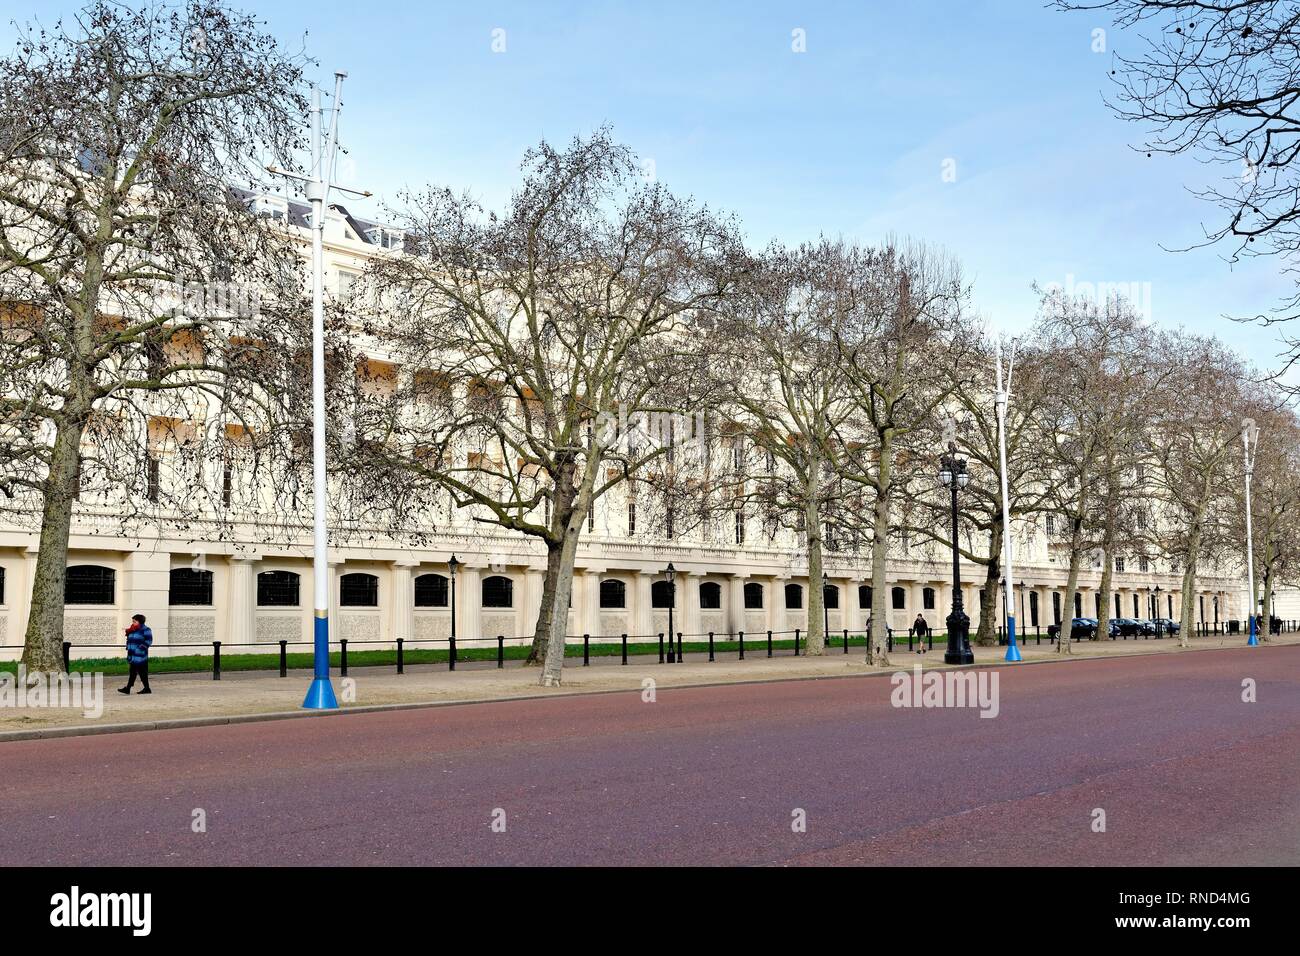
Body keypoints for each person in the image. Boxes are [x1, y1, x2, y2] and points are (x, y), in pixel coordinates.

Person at [118, 614, 153, 695]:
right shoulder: (133, 629)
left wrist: (139, 649)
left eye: (135, 621)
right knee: (140, 672)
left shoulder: (146, 630)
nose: (133, 623)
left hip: (140, 656)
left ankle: (128, 688)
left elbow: (148, 641)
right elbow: (130, 640)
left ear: (140, 622)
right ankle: (146, 688)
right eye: (133, 621)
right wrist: (128, 647)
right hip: (132, 654)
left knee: (135, 672)